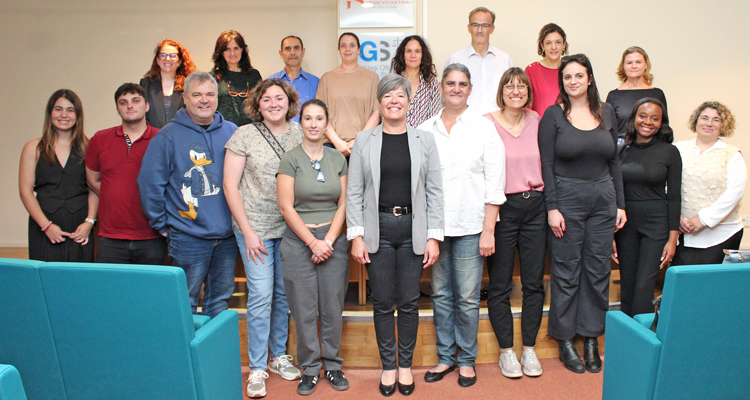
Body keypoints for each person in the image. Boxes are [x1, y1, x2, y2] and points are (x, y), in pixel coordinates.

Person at [347, 74, 443, 397]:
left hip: (414, 228)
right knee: (383, 303)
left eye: (400, 96)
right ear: (380, 101)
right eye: (388, 96)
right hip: (379, 230)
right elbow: (355, 191)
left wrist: (434, 236)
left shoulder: (425, 140)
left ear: (409, 100)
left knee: (410, 302)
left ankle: (405, 366)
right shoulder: (364, 140)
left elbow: (434, 191)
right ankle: (388, 367)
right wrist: (356, 235)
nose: (394, 101)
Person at [418, 63, 505, 388]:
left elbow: (495, 181)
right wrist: (428, 231)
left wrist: (488, 229)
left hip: (472, 227)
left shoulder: (484, 128)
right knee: (440, 295)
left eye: (462, 84)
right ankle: (445, 357)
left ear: (470, 89)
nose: (456, 88)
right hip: (437, 230)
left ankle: (466, 360)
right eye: (450, 83)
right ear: (441, 87)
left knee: (467, 298)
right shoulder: (425, 129)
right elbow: (420, 184)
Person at [538, 54, 626, 374]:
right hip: (567, 200)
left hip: (603, 200)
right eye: (567, 77)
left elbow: (614, 161)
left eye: (579, 75)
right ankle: (564, 340)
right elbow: (546, 165)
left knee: (598, 270)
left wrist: (620, 203)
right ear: (562, 82)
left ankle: (590, 338)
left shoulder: (606, 111)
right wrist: (552, 207)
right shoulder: (553, 116)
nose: (573, 81)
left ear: (589, 79)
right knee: (566, 271)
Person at [223, 78, 303, 398]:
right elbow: (231, 186)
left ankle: (278, 355)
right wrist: (248, 232)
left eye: (279, 98)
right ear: (257, 104)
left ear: (289, 102)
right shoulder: (244, 134)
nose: (273, 104)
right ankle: (257, 366)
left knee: (283, 295)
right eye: (266, 99)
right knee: (260, 295)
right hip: (253, 227)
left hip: (289, 228)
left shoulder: (300, 133)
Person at [138, 72, 238, 320]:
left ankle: (212, 357)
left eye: (210, 94)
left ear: (217, 98)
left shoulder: (233, 132)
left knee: (220, 302)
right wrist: (162, 225)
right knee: (186, 301)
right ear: (185, 98)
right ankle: (187, 358)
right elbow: (149, 184)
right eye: (197, 95)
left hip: (227, 237)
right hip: (188, 237)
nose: (204, 100)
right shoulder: (167, 136)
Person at [278, 99, 350, 396]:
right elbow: (285, 206)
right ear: (301, 122)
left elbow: (344, 203)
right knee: (304, 309)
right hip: (299, 243)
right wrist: (312, 242)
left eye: (319, 118)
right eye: (308, 118)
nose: (313, 124)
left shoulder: (338, 159)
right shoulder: (290, 158)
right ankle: (309, 369)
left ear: (326, 123)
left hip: (333, 241)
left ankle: (332, 365)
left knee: (332, 307)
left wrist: (329, 241)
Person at [484, 68, 546, 378]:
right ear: (502, 91)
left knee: (534, 284)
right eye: (510, 86)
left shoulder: (537, 120)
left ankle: (530, 349)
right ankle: (507, 351)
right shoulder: (486, 123)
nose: (516, 91)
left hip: (536, 207)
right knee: (499, 285)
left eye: (521, 86)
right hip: (502, 209)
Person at [613, 98, 681, 317]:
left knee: (644, 286)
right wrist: (610, 235)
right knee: (628, 284)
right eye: (643, 116)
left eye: (655, 118)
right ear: (634, 118)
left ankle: (642, 342)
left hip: (656, 225)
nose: (648, 122)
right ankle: (627, 337)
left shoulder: (670, 152)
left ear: (661, 123)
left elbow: (674, 197)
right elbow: (612, 191)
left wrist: (672, 239)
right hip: (625, 226)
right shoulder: (620, 150)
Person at [85, 83, 166, 264]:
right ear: (117, 109)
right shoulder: (100, 139)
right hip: (110, 236)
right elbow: (93, 180)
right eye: (123, 102)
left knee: (149, 291)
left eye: (135, 101)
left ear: (146, 106)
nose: (129, 106)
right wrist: (116, 195)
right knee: (111, 291)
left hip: (152, 235)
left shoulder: (163, 139)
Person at [19, 89, 97, 262]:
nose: (64, 115)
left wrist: (89, 223)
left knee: (80, 281)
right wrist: (46, 227)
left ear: (77, 115)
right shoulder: (33, 148)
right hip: (44, 225)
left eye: (70, 110)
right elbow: (25, 192)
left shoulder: (89, 147)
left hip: (80, 226)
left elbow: (94, 188)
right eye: (58, 109)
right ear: (50, 113)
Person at [672, 101, 746, 266]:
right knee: (684, 286)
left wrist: (703, 219)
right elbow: (664, 185)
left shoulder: (731, 154)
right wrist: (676, 216)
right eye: (704, 118)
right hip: (682, 231)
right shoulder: (677, 149)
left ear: (723, 125)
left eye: (716, 120)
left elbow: (734, 193)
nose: (709, 123)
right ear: (696, 121)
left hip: (721, 234)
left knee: (713, 287)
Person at [317, 32, 380, 157]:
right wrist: (337, 142)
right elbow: (320, 115)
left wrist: (359, 140)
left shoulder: (372, 77)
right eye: (343, 46)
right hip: (332, 145)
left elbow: (377, 112)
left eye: (352, 45)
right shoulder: (327, 78)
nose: (347, 49)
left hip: (364, 145)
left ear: (359, 50)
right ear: (339, 50)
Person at [444, 7, 513, 116]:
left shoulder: (504, 59)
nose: (480, 30)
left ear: (492, 29)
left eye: (485, 25)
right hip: (465, 124)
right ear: (469, 28)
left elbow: (511, 95)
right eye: (475, 25)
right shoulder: (455, 59)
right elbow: (446, 97)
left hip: (498, 125)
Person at [605, 47, 669, 140]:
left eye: (638, 62)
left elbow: (663, 127)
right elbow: (608, 129)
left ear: (646, 65)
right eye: (629, 63)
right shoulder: (613, 95)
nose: (634, 66)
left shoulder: (657, 94)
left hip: (651, 148)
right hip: (622, 149)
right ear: (623, 66)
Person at [140, 38, 197, 128]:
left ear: (179, 61)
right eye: (163, 55)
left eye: (172, 55)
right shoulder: (145, 84)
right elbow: (141, 116)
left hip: (182, 138)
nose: (167, 58)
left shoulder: (190, 85)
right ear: (157, 60)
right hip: (154, 139)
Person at [209, 30, 262, 127]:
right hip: (222, 132)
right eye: (227, 49)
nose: (232, 53)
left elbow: (260, 105)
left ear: (242, 49)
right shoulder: (212, 77)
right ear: (221, 52)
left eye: (236, 48)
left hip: (250, 133)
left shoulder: (254, 75)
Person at [390, 35, 441, 127]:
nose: (413, 55)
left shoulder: (431, 83)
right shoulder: (392, 81)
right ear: (403, 55)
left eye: (417, 51)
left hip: (423, 137)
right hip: (396, 136)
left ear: (422, 55)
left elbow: (433, 117)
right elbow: (385, 114)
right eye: (409, 51)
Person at [269, 36, 320, 123]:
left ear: (303, 52)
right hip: (277, 135)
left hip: (307, 135)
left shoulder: (316, 83)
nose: (292, 53)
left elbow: (320, 114)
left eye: (296, 48)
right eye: (288, 49)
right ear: (281, 53)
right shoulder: (270, 82)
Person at [525, 23, 568, 117]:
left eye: (558, 42)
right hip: (541, 126)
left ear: (564, 44)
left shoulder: (570, 69)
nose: (553, 47)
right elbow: (526, 104)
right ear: (542, 46)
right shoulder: (532, 70)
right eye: (548, 43)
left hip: (567, 127)